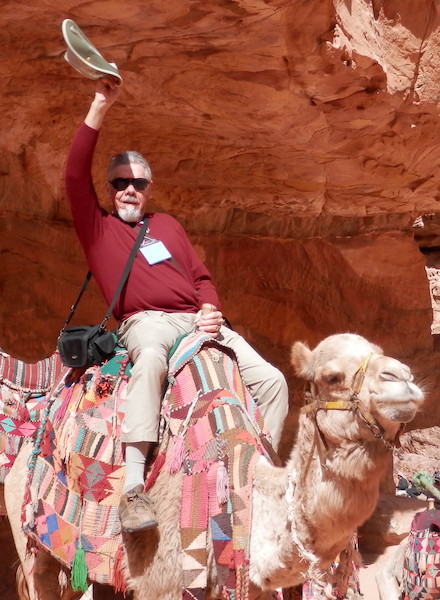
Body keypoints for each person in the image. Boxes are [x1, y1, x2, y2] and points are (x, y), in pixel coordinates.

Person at [65, 77, 289, 533]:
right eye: (120, 182)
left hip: (196, 322)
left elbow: (201, 277)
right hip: (146, 322)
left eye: (138, 182)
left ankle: (262, 476)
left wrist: (211, 310)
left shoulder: (166, 224)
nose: (129, 189)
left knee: (274, 381)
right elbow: (73, 173)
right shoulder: (98, 228)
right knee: (149, 359)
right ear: (110, 189)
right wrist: (98, 106)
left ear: (149, 187)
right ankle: (133, 488)